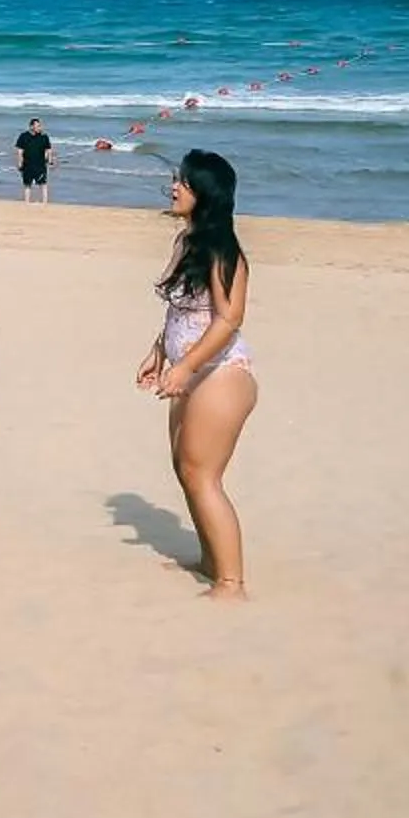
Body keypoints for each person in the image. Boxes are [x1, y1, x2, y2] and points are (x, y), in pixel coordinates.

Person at [139, 148, 255, 600]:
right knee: (184, 467)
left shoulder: (224, 251)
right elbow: (181, 310)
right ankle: (211, 561)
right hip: (189, 372)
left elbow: (229, 318)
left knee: (203, 473)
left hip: (222, 373)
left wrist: (186, 365)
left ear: (204, 195)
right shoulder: (186, 242)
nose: (174, 187)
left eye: (184, 183)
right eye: (176, 180)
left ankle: (232, 582)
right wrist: (159, 352)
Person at [12, 119, 52, 204]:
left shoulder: (44, 137)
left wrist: (50, 160)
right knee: (27, 184)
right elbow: (20, 150)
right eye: (37, 126)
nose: (39, 128)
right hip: (27, 164)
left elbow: (48, 150)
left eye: (40, 126)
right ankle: (27, 202)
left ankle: (44, 203)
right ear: (31, 126)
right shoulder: (23, 136)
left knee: (43, 184)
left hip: (40, 165)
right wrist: (19, 162)